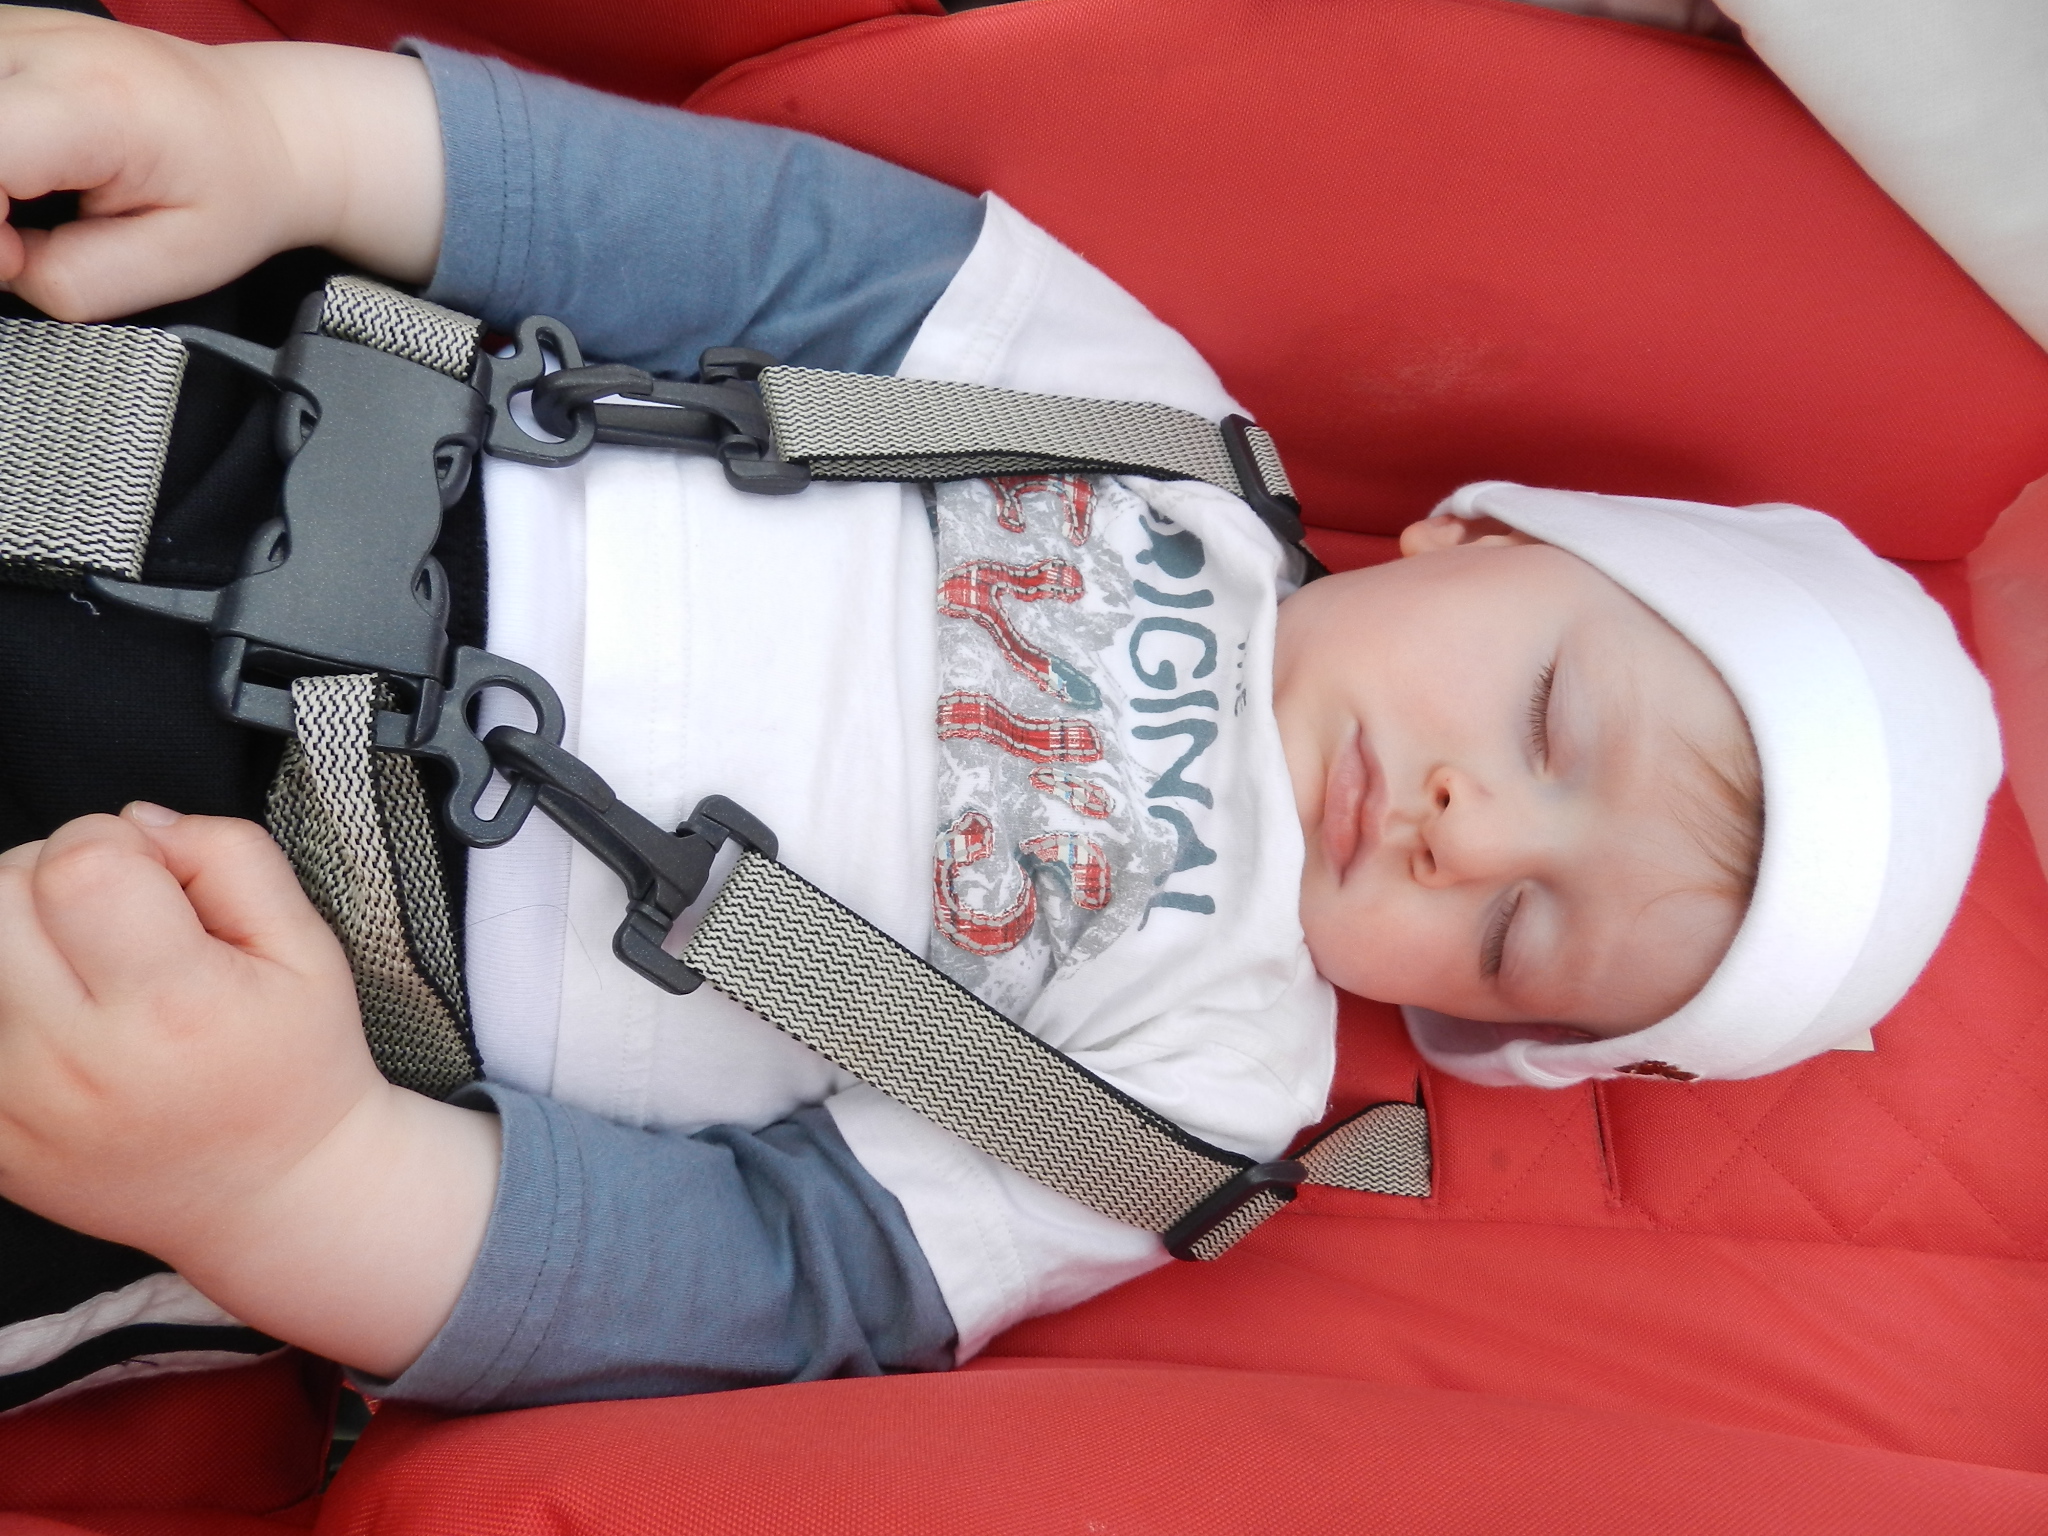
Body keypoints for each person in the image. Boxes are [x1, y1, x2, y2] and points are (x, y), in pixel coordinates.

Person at [0, 8, 2001, 1410]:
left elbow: (772, 1279)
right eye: (1552, 721)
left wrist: (289, 1178)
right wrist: (279, 132)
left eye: (1520, 934)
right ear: (1476, 537)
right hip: (246, 424)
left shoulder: (1202, 1092)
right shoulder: (1144, 422)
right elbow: (717, 235)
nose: (1468, 830)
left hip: (245, 964)